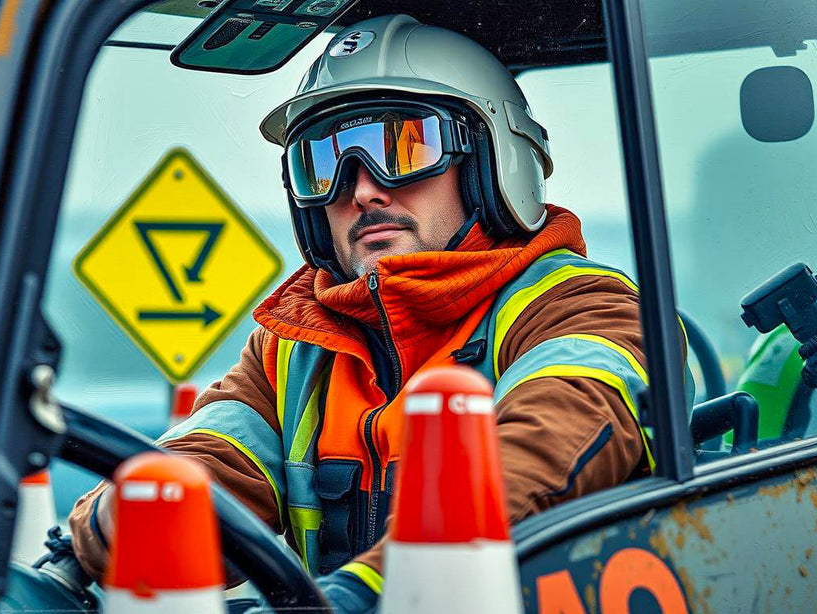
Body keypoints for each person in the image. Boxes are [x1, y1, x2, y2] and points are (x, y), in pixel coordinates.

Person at [71, 14, 668, 613]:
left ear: (491, 163)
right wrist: (105, 527)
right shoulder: (294, 345)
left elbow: (542, 448)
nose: (361, 190)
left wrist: (362, 592)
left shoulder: (584, 308)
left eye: (404, 147)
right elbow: (210, 460)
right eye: (324, 162)